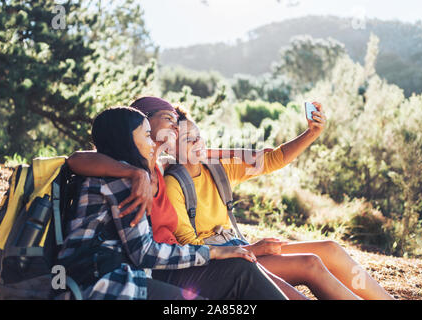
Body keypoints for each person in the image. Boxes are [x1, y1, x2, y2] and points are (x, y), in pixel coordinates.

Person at [164, 104, 395, 300]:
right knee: (310, 264)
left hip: (239, 247)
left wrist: (312, 133)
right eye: (188, 140)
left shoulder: (218, 168)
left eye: (198, 136)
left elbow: (273, 158)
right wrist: (252, 249)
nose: (198, 143)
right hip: (223, 264)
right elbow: (192, 249)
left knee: (329, 249)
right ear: (169, 147)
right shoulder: (174, 185)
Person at [59, 105, 288, 300]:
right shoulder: (124, 180)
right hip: (106, 283)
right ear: (127, 137)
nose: (154, 142)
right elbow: (145, 253)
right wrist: (215, 253)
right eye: (147, 135)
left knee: (241, 269)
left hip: (125, 274)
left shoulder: (137, 171)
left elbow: (200, 154)